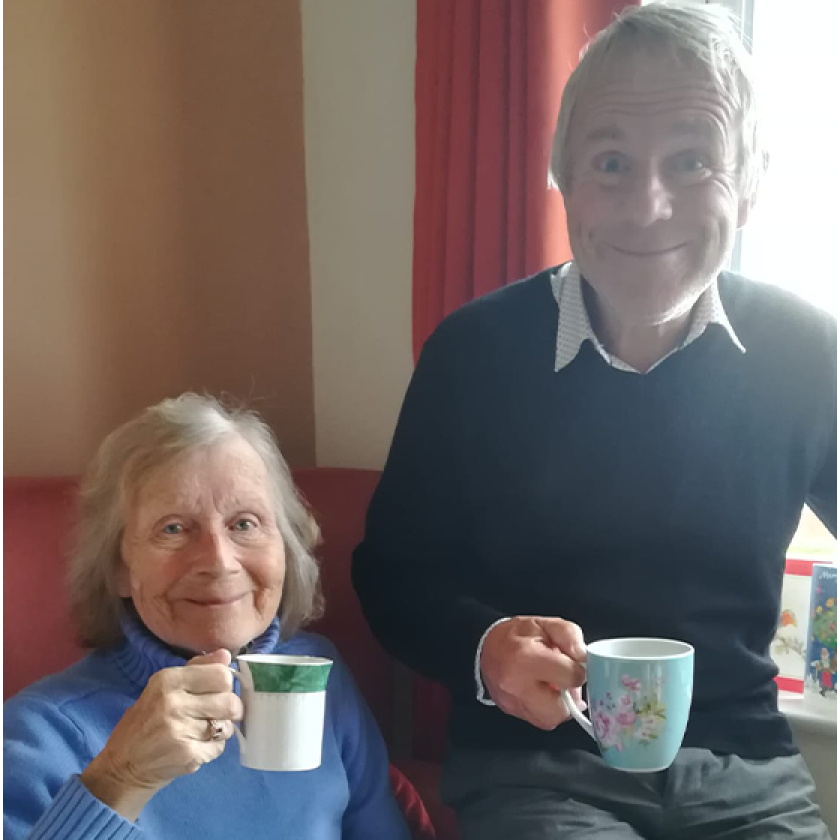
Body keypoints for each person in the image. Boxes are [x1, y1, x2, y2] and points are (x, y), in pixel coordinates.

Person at [352, 3, 837, 838]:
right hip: (533, 769)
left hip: (744, 767)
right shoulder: (472, 352)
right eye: (611, 162)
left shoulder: (808, 355)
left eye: (692, 161)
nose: (648, 207)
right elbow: (391, 576)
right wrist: (486, 649)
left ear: (750, 185)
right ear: (563, 179)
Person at [3, 394, 412, 840]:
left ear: (285, 548)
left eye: (244, 524)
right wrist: (120, 781)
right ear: (118, 567)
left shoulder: (319, 675)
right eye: (173, 528)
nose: (218, 561)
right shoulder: (41, 733)